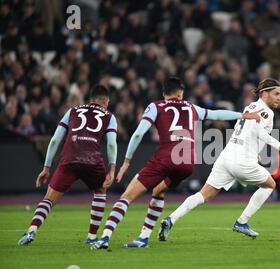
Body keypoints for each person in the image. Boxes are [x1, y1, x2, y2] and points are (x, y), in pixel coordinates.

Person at [91, 77, 261, 249]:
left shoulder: (156, 106)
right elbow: (216, 113)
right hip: (187, 163)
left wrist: (127, 161)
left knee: (127, 196)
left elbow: (137, 134)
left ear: (164, 93)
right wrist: (243, 115)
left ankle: (104, 237)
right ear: (181, 94)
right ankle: (143, 237)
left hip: (165, 158)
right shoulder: (191, 107)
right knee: (158, 191)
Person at [158, 78, 280, 241]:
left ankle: (171, 219)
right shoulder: (266, 112)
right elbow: (258, 131)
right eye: (276, 94)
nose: (279, 98)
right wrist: (278, 145)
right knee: (270, 185)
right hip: (241, 160)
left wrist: (254, 151)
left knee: (204, 194)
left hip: (227, 156)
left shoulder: (250, 107)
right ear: (264, 94)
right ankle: (242, 222)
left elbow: (242, 130)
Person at [18, 85, 117, 245]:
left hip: (69, 158)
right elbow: (111, 144)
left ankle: (31, 231)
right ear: (106, 101)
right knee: (100, 191)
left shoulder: (72, 111)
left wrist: (46, 167)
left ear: (91, 99)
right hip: (92, 160)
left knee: (50, 198)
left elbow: (56, 139)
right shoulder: (109, 116)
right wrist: (112, 168)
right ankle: (92, 237)